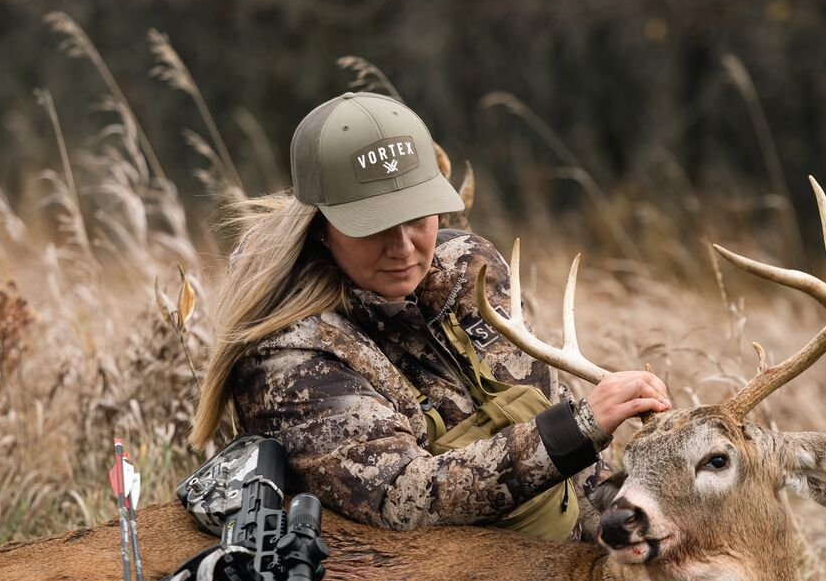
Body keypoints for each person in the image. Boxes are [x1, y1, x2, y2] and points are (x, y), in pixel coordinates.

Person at [188, 91, 670, 540]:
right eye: (373, 225)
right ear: (320, 228)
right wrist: (579, 427)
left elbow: (575, 469)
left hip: (555, 574)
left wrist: (640, 509)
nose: (403, 248)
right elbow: (406, 497)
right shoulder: (287, 358)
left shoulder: (468, 267)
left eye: (418, 217)